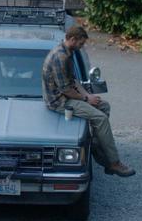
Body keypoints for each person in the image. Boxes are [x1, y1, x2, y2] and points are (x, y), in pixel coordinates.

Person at [41, 25, 135, 177]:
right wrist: (86, 98)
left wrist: (89, 96)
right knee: (101, 118)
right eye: (81, 43)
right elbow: (66, 90)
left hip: (68, 96)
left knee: (104, 106)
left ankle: (97, 147)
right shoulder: (60, 57)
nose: (81, 47)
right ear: (72, 39)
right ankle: (114, 163)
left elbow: (73, 81)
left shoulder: (68, 52)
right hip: (60, 102)